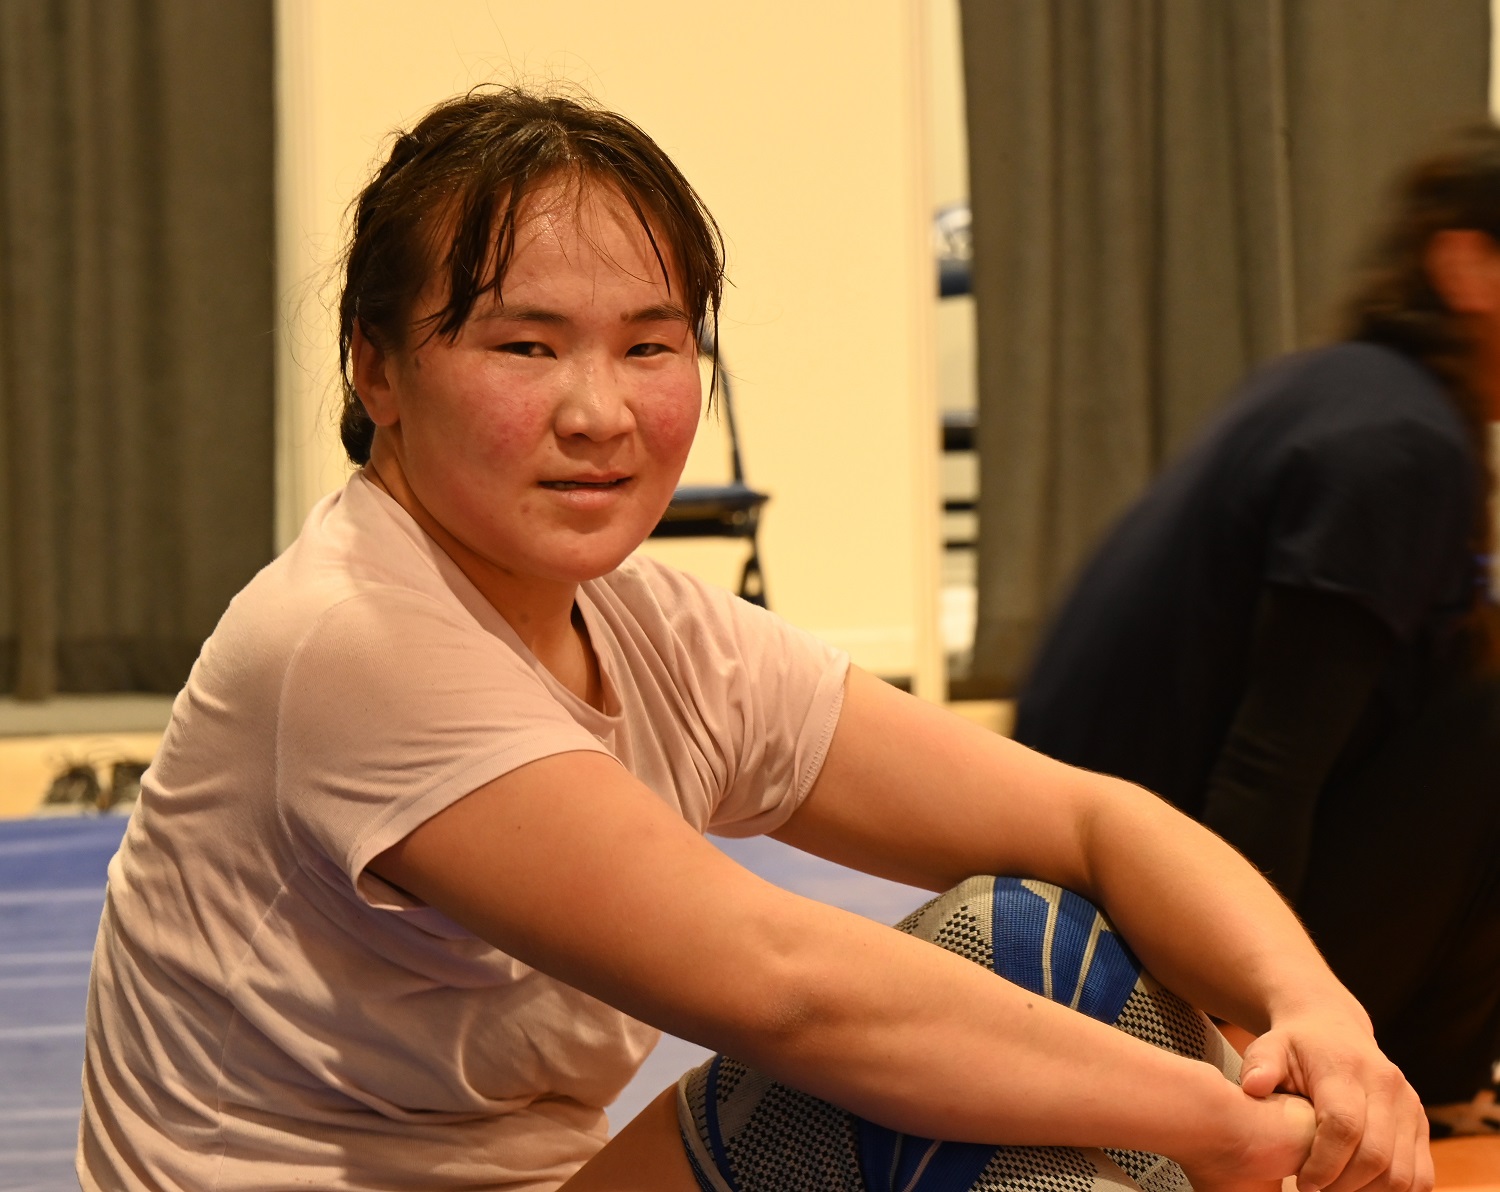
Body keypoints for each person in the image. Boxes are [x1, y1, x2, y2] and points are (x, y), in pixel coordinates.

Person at [78, 87, 1427, 1192]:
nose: (599, 411)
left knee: (1048, 947)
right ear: (376, 367)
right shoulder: (353, 637)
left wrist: (1317, 1013)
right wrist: (1224, 1123)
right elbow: (790, 991)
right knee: (966, 1068)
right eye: (527, 347)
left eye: (649, 347)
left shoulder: (652, 631)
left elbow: (1091, 823)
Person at [1014, 125, 1500, 1134]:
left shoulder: (1347, 388)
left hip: (1088, 915)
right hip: (1140, 968)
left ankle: (1433, 1085)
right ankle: (1415, 1091)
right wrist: (1225, 1066)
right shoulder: (1399, 445)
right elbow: (1268, 772)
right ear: (1468, 266)